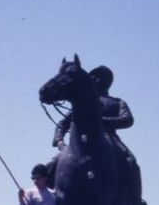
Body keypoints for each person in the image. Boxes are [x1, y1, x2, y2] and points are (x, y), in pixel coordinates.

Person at [49, 65, 147, 205]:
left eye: (96, 76)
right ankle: (45, 186)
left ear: (105, 80)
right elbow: (63, 123)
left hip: (110, 138)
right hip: (82, 141)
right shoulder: (83, 104)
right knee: (55, 161)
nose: (93, 79)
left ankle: (136, 200)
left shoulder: (117, 102)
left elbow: (127, 120)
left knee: (131, 161)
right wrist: (59, 140)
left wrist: (100, 122)